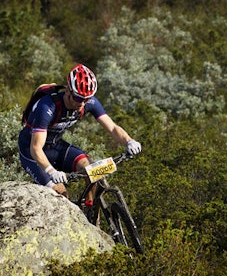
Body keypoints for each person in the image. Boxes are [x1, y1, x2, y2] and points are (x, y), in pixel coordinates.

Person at [18, 64, 142, 196]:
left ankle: (90, 207)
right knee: (60, 193)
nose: (82, 103)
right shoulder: (47, 107)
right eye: (78, 98)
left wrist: (129, 141)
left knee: (95, 173)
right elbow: (36, 148)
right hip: (31, 152)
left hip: (55, 146)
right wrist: (51, 171)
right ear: (67, 91)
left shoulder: (88, 103)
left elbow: (112, 127)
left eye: (86, 99)